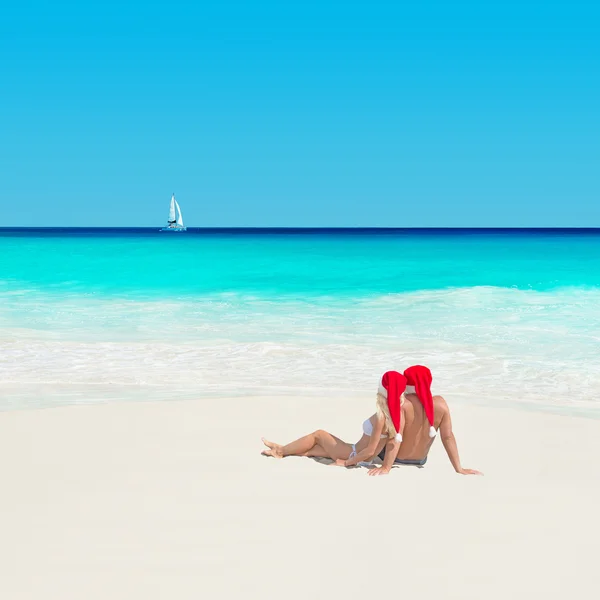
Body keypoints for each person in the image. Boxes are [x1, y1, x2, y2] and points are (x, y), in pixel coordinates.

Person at [261, 366, 482, 476]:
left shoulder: (401, 406)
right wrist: (459, 468)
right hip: (419, 460)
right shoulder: (441, 404)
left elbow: (395, 439)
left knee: (319, 436)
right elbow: (448, 437)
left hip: (385, 455)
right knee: (318, 448)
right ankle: (284, 450)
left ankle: (281, 451)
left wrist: (385, 467)